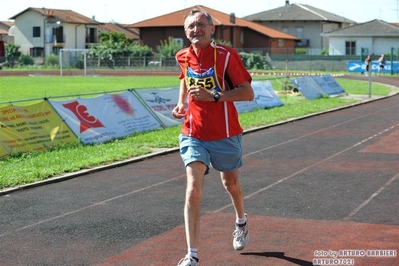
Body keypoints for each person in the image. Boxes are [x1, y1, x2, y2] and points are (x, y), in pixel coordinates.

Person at [172, 8, 254, 266]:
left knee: (230, 185)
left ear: (211, 29)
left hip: (225, 134)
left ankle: (241, 221)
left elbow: (247, 93)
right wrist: (181, 103)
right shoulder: (182, 56)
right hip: (193, 133)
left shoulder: (227, 56)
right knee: (193, 191)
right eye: (190, 27)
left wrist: (215, 96)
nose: (195, 30)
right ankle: (192, 256)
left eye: (200, 25)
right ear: (186, 33)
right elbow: (185, 79)